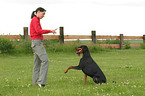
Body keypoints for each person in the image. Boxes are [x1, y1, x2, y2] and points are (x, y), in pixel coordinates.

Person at [30, 7, 56, 87]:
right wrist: (50, 31)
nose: (43, 15)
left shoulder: (36, 20)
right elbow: (38, 31)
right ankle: (41, 82)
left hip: (36, 42)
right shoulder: (35, 20)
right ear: (38, 12)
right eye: (43, 13)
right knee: (45, 61)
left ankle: (35, 82)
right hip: (37, 43)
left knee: (37, 64)